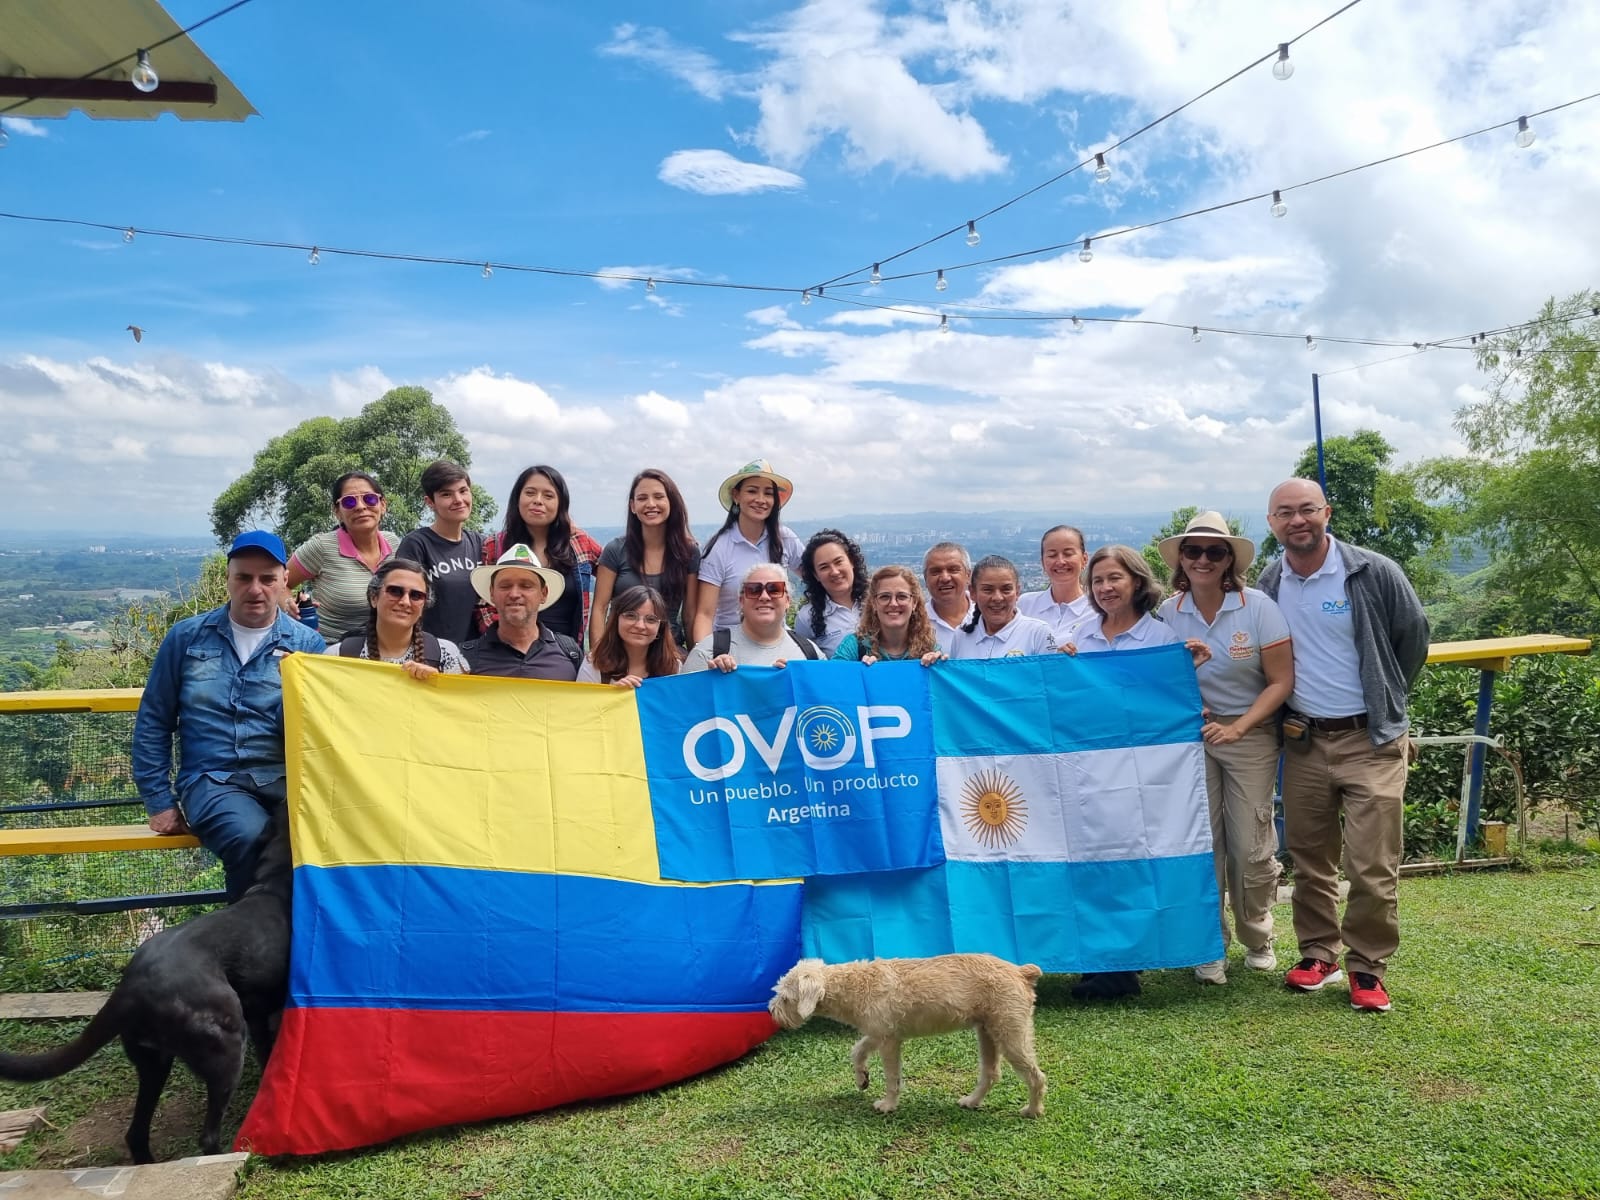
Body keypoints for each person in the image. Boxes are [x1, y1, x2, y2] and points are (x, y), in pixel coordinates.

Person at [1259, 479, 1429, 1013]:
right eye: (1285, 513)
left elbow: (1413, 637)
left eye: (1307, 509)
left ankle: (1367, 966)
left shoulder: (1371, 572)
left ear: (1326, 512)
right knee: (1310, 859)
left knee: (1373, 863)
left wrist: (1386, 701)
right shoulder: (1270, 580)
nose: (1297, 521)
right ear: (1272, 522)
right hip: (1304, 739)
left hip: (1372, 738)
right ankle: (1317, 954)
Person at [131, 531, 327, 899]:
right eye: (244, 577)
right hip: (212, 779)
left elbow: (313, 732)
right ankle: (252, 946)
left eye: (267, 579)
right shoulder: (187, 638)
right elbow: (154, 721)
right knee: (249, 837)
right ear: (228, 578)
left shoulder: (306, 645)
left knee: (325, 841)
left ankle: (298, 945)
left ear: (285, 580)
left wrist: (295, 688)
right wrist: (158, 801)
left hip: (282, 778)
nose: (256, 589)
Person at [1065, 544, 1211, 1002]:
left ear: (1136, 582)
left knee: (1132, 861)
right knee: (1092, 864)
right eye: (1099, 581)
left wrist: (1186, 671)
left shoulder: (1162, 642)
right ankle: (1098, 961)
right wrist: (1058, 667)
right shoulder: (1079, 638)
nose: (1106, 588)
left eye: (1115, 579)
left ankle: (1126, 963)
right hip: (1088, 770)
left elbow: (1174, 703)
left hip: (1143, 775)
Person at [1157, 512, 1294, 987]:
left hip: (1250, 735)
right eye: (1193, 551)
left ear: (1229, 560)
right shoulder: (1169, 614)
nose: (1203, 559)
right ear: (1181, 559)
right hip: (1191, 737)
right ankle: (1209, 942)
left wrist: (1240, 728)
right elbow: (1155, 682)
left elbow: (1280, 682)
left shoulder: (1257, 608)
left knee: (1251, 845)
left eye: (1214, 552)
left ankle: (1258, 936)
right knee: (1202, 845)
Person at [481, 465, 602, 645]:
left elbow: (616, 575)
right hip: (506, 655)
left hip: (565, 658)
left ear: (561, 504)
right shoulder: (495, 546)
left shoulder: (579, 544)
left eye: (548, 496)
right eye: (530, 493)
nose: (538, 501)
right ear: (517, 498)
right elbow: (483, 608)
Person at [591, 469, 701, 658]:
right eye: (642, 498)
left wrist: (695, 660)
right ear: (633, 506)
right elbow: (599, 609)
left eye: (658, 497)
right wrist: (599, 657)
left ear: (671, 503)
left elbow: (689, 616)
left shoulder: (688, 552)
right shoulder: (616, 550)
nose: (651, 504)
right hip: (619, 653)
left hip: (669, 653)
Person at [692, 459, 804, 642]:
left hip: (777, 642)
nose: (760, 500)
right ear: (736, 495)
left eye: (768, 493)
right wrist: (706, 657)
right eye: (752, 491)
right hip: (731, 645)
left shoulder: (785, 538)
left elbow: (816, 578)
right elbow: (705, 614)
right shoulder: (720, 548)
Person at [285, 472, 396, 644]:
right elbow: (279, 583)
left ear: (383, 505)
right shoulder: (322, 546)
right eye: (349, 501)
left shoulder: (394, 544)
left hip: (382, 652)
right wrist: (287, 603)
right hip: (331, 653)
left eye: (369, 499)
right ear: (337, 512)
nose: (360, 506)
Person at [324, 557, 470, 677]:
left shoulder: (447, 655)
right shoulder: (338, 655)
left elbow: (460, 708)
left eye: (416, 595)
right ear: (374, 598)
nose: (405, 602)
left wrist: (439, 684)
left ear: (424, 605)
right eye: (395, 591)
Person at [461, 544, 584, 681]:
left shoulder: (570, 653)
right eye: (505, 586)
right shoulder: (464, 660)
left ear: (543, 594)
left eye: (526, 586)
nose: (514, 594)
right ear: (492, 593)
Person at [395, 460, 485, 645]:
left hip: (475, 652)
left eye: (463, 491)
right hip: (430, 651)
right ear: (430, 502)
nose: (458, 500)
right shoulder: (416, 544)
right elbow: (403, 601)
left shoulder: (480, 543)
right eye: (446, 494)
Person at [683, 563, 821, 672]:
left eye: (774, 589)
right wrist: (709, 678)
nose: (764, 597)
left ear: (788, 601)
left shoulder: (810, 655)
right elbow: (683, 704)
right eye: (754, 590)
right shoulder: (709, 652)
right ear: (741, 601)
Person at [948, 556, 1057, 660]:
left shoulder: (1038, 633)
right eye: (988, 590)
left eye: (1006, 590)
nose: (997, 598)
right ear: (972, 592)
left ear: (1017, 592)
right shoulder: (961, 635)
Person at [832, 566, 942, 666]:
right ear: (874, 603)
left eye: (902, 596)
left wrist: (940, 667)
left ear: (914, 603)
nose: (893, 603)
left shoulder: (929, 648)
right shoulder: (854, 646)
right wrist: (859, 672)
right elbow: (830, 680)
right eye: (885, 597)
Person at [579, 585, 681, 687]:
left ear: (661, 627)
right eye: (631, 616)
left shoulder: (674, 667)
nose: (640, 626)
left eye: (651, 619)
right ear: (616, 620)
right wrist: (614, 696)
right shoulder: (593, 664)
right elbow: (584, 703)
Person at [796, 529, 868, 657]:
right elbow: (805, 662)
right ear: (815, 575)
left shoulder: (879, 600)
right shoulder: (806, 617)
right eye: (824, 567)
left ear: (851, 561)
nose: (834, 572)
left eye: (838, 562)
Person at [1017, 525, 1093, 642]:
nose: (1060, 561)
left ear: (1084, 559)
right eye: (1052, 555)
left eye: (1068, 554)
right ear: (1042, 562)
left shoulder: (1098, 609)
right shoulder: (1025, 604)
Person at [922, 542, 975, 654]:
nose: (945, 578)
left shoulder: (988, 618)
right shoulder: (914, 623)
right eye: (936, 571)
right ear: (925, 579)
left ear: (968, 575)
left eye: (953, 570)